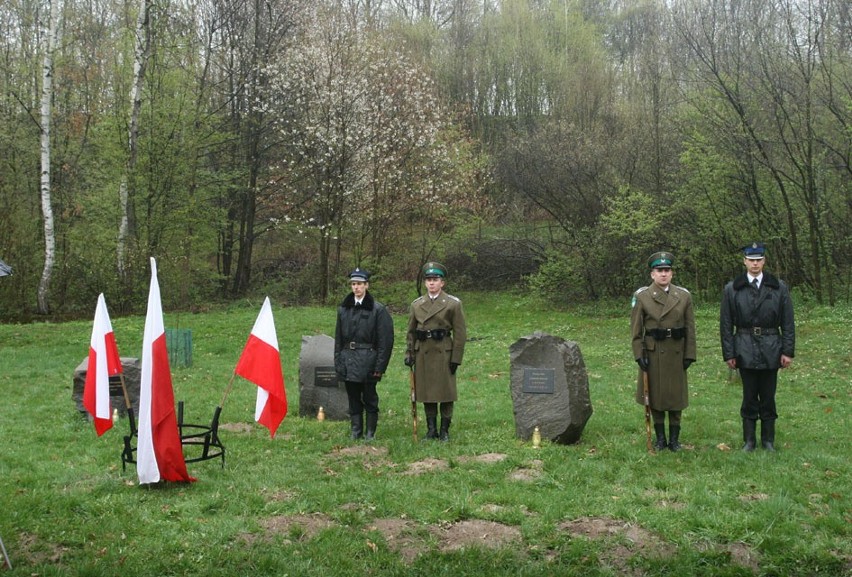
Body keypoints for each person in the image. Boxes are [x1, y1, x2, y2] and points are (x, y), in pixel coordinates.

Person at [720, 243, 795, 452]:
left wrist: (787, 351)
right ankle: (749, 440)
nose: (755, 264)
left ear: (764, 261)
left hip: (772, 346)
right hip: (744, 347)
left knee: (769, 396)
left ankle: (768, 440)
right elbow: (726, 325)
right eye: (751, 260)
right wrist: (729, 353)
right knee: (749, 396)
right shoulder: (733, 289)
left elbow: (788, 322)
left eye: (758, 260)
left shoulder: (778, 287)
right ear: (744, 261)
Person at [631, 251, 697, 452]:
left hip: (676, 351)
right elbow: (635, 330)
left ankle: (674, 440)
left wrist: (689, 355)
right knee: (656, 397)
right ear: (652, 274)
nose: (663, 274)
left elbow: (690, 328)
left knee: (676, 398)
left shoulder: (683, 296)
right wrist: (638, 355)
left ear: (672, 273)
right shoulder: (642, 296)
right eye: (659, 270)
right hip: (654, 353)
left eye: (667, 270)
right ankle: (660, 439)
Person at [405, 262, 467, 441]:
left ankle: (444, 430)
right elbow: (411, 331)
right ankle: (431, 429)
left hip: (444, 353)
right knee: (427, 392)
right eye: (429, 280)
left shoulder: (452, 304)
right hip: (423, 351)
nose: (432, 283)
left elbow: (460, 333)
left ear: (442, 283)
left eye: (435, 279)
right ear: (425, 283)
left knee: (446, 393)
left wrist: (456, 357)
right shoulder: (417, 305)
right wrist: (409, 353)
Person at [334, 268, 395, 441]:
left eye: (360, 284)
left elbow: (385, 341)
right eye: (353, 284)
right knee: (353, 396)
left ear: (367, 285)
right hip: (348, 359)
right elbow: (338, 339)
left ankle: (370, 432)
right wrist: (338, 362)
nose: (356, 288)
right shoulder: (344, 309)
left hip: (369, 360)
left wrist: (379, 367)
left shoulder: (378, 310)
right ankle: (356, 430)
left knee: (369, 397)